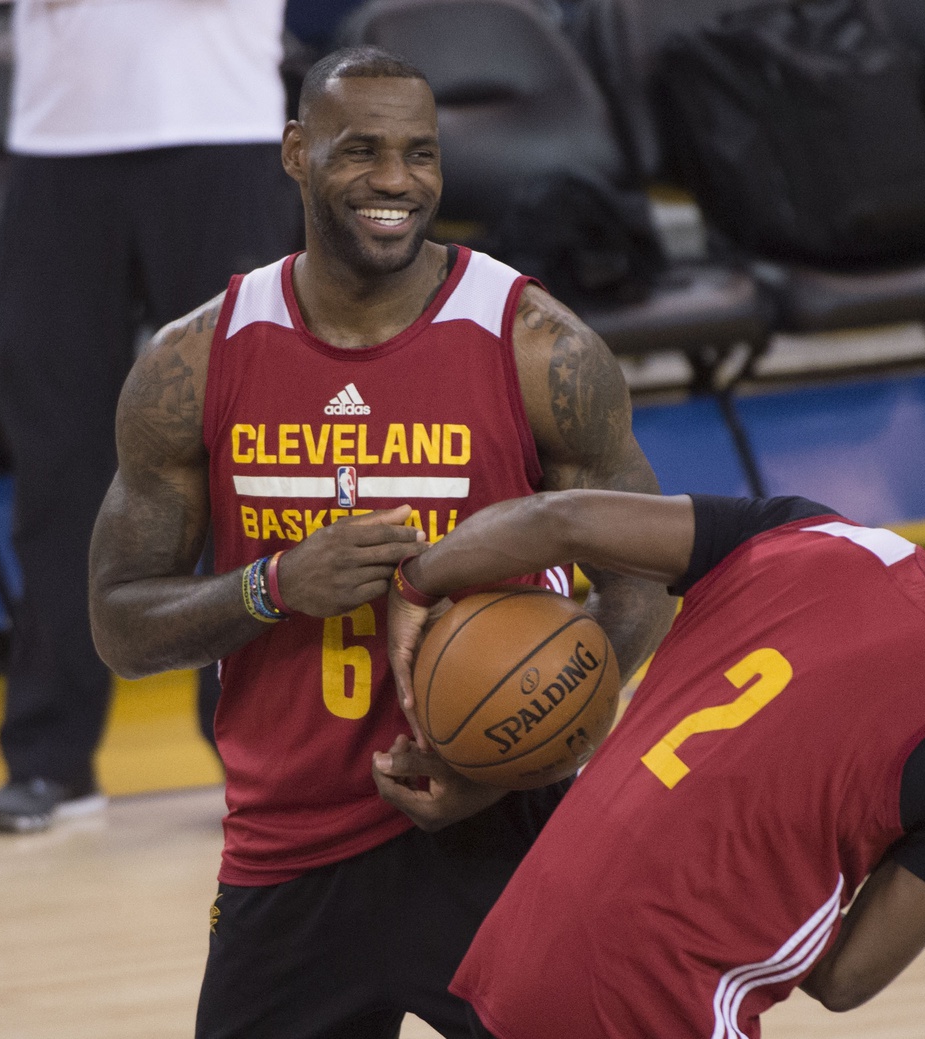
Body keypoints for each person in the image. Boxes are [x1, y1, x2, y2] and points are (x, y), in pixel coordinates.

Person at [86, 46, 672, 1039]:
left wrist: (513, 750)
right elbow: (120, 625)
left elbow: (642, 579)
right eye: (361, 151)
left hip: (501, 831)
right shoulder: (197, 359)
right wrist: (270, 587)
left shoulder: (538, 345)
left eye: (420, 153)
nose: (397, 180)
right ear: (294, 152)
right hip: (288, 850)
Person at [376, 491, 925, 1039]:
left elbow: (560, 519)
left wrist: (415, 581)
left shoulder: (809, 534)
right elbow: (845, 979)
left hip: (519, 953)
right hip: (657, 1002)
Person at [0, 0, 303, 833]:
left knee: (244, 454)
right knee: (55, 458)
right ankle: (50, 757)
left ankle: (257, 749)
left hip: (219, 134)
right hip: (57, 145)